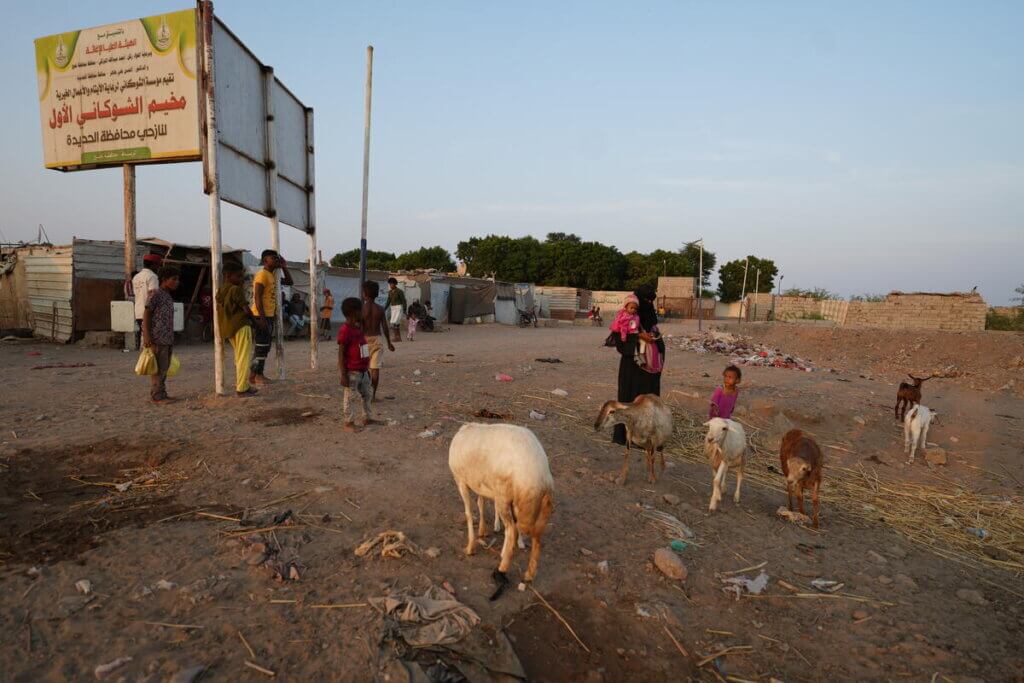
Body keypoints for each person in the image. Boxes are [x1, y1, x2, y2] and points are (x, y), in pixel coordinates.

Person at [612, 284, 665, 445]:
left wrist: (654, 339)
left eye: (651, 301)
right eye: (645, 300)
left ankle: (645, 438)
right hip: (632, 370)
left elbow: (658, 342)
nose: (648, 304)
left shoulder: (651, 321)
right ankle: (625, 437)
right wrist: (639, 338)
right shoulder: (626, 318)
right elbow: (620, 343)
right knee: (630, 401)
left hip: (650, 373)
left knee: (648, 403)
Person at [250, 249, 293, 384]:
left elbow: (290, 282)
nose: (275, 260)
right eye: (272, 258)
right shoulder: (262, 275)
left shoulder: (272, 275)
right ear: (265, 261)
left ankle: (254, 375)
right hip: (260, 316)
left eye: (276, 258)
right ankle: (256, 375)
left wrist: (284, 267)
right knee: (261, 347)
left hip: (268, 316)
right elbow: (257, 298)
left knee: (264, 347)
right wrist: (263, 320)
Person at [217, 262, 258, 397]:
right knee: (244, 358)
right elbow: (246, 310)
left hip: (228, 328)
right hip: (241, 326)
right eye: (239, 276)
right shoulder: (236, 289)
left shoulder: (221, 290)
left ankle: (244, 385)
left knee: (239, 357)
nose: (241, 279)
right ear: (229, 276)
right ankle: (242, 388)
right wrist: (256, 323)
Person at [337, 297, 378, 432]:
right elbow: (341, 353)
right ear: (354, 313)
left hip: (363, 370)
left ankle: (367, 417)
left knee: (367, 394)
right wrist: (343, 374)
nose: (363, 313)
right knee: (350, 397)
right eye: (361, 310)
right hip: (352, 371)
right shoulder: (345, 330)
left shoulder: (358, 328)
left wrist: (366, 368)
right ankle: (348, 422)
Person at [142, 265, 180, 404]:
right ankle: (157, 396)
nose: (177, 282)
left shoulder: (167, 296)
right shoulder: (155, 294)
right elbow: (147, 314)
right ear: (164, 279)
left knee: (164, 367)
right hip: (157, 338)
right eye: (174, 279)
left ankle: (162, 393)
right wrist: (147, 336)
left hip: (167, 338)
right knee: (157, 368)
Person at [361, 280, 395, 400]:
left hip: (364, 342)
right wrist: (389, 343)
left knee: (364, 369)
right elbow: (385, 327)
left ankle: (364, 394)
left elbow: (358, 327)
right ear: (376, 294)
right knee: (375, 369)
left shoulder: (362, 309)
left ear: (364, 294)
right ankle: (373, 396)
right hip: (377, 340)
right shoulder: (380, 309)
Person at [132, 254, 162, 348]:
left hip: (138, 311)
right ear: (153, 265)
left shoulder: (136, 277)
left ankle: (145, 359)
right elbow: (153, 295)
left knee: (144, 338)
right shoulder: (152, 276)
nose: (158, 267)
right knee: (151, 340)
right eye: (158, 265)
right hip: (149, 312)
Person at [386, 277, 407, 342]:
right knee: (394, 324)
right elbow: (388, 301)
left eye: (391, 284)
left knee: (396, 323)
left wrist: (404, 309)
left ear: (395, 284)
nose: (390, 285)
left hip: (398, 307)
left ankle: (397, 337)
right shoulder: (389, 292)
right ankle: (398, 337)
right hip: (393, 308)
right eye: (389, 284)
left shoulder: (399, 291)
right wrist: (384, 308)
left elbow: (403, 300)